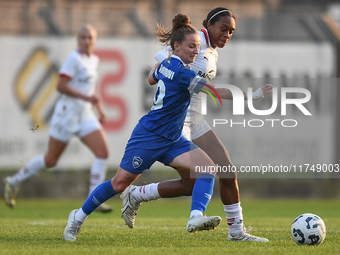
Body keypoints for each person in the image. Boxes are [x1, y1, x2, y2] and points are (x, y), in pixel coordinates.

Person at [63, 13, 225, 242]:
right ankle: (77, 217)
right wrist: (247, 95)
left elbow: (151, 77)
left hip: (172, 139)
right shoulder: (183, 73)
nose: (196, 52)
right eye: (192, 47)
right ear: (176, 46)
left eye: (198, 47)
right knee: (119, 183)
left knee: (208, 169)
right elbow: (213, 90)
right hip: (149, 137)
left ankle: (195, 216)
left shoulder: (168, 64)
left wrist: (162, 69)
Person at [120, 7, 272, 242]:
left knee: (227, 170)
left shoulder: (211, 51)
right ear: (209, 25)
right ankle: (138, 195)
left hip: (196, 119)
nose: (227, 35)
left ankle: (236, 232)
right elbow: (161, 63)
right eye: (223, 28)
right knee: (192, 182)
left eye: (231, 31)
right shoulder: (195, 39)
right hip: (177, 121)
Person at [3, 25, 112, 213]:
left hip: (85, 115)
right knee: (51, 160)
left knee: (102, 153)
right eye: (83, 37)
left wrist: (99, 110)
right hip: (66, 115)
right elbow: (61, 86)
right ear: (78, 40)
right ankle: (13, 182)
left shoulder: (93, 59)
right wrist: (87, 99)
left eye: (90, 38)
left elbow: (89, 91)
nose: (87, 41)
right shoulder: (73, 59)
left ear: (94, 41)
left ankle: (94, 197)